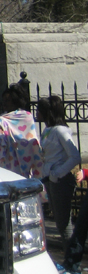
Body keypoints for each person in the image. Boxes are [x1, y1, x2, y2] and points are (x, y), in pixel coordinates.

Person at [38, 95, 80, 246]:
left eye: (39, 110)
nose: (37, 113)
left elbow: (75, 156)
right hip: (50, 179)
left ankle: (71, 259)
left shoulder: (61, 131)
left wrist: (57, 173)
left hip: (60, 181)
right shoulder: (48, 130)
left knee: (64, 223)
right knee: (59, 222)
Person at [0, 84, 42, 179]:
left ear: (15, 101)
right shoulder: (28, 117)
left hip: (10, 166)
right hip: (27, 164)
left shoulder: (2, 120)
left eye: (7, 100)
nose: (4, 103)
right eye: (3, 100)